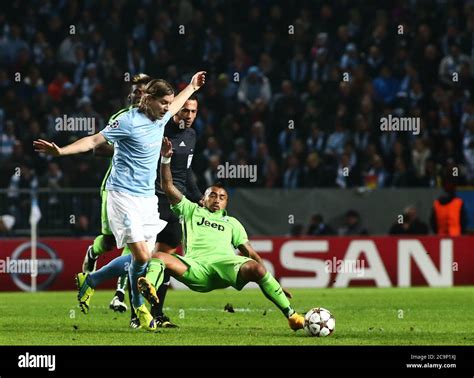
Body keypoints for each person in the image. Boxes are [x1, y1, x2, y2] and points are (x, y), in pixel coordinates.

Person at [34, 71, 206, 331]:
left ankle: (91, 280)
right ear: (148, 98)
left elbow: (180, 102)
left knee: (145, 258)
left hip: (147, 197)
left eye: (169, 104)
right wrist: (61, 151)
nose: (167, 109)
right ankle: (138, 308)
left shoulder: (162, 117)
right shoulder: (127, 121)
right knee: (139, 254)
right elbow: (94, 140)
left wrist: (192, 86)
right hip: (122, 195)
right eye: (163, 103)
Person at [138, 137, 305, 332]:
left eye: (222, 197)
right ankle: (149, 290)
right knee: (158, 257)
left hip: (226, 266)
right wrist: (165, 160)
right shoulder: (191, 210)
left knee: (257, 270)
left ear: (226, 203)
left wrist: (273, 284)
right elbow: (168, 187)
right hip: (195, 268)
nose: (217, 199)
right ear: (204, 199)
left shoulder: (232, 223)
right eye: (213, 195)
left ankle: (292, 316)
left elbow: (251, 253)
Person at [80, 73, 152, 320]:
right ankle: (93, 254)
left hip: (145, 192)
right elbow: (98, 147)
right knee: (110, 242)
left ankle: (120, 292)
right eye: (134, 91)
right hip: (117, 189)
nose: (135, 95)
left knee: (136, 242)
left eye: (141, 91)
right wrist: (131, 148)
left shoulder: (160, 117)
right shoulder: (122, 118)